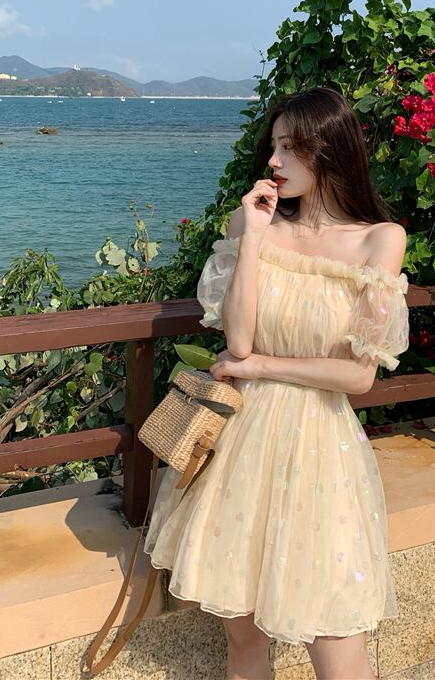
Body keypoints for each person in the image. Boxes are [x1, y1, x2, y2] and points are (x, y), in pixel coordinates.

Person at [144, 86, 410, 680]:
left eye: (290, 148)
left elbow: (359, 375)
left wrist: (261, 368)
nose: (274, 160)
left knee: (338, 645)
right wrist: (254, 238)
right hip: (243, 446)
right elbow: (239, 341)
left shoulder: (379, 239)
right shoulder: (254, 221)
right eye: (275, 145)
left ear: (329, 149)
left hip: (320, 449)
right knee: (244, 643)